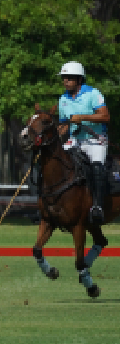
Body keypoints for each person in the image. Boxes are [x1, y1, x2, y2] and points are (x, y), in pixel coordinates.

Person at [57, 61, 111, 224]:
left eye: (69, 78)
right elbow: (63, 124)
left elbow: (105, 116)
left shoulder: (93, 94)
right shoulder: (63, 99)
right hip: (74, 140)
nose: (65, 81)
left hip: (95, 140)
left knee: (96, 167)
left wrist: (81, 117)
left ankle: (97, 206)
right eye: (63, 78)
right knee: (56, 161)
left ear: (79, 79)